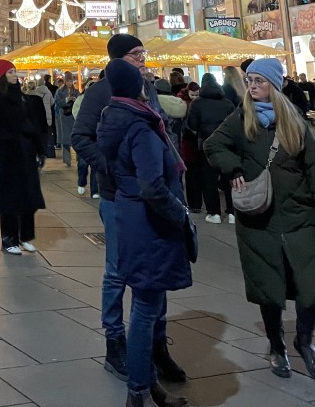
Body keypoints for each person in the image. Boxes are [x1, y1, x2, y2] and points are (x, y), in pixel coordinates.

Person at [205, 57, 315, 382]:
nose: (252, 87)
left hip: (300, 218)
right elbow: (213, 144)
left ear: (274, 86)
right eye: (249, 81)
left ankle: (304, 342)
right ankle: (277, 346)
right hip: (258, 221)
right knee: (270, 288)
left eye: (259, 81)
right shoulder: (241, 118)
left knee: (313, 287)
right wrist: (233, 167)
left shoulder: (294, 122)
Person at [72, 33, 186, 388]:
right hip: (117, 195)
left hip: (153, 193)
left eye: (143, 54)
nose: (143, 59)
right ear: (119, 59)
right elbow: (80, 137)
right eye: (137, 54)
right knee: (117, 270)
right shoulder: (99, 91)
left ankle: (155, 344)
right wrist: (109, 167)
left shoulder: (145, 87)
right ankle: (114, 341)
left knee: (156, 272)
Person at [97, 58, 192, 407]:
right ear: (135, 86)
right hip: (149, 223)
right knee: (145, 308)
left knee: (143, 303)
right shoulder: (140, 126)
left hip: (129, 216)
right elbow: (152, 186)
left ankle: (147, 384)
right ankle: (138, 390)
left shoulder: (113, 118)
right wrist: (179, 213)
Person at [0, 59, 46, 255]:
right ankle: (9, 238)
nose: (14, 75)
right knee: (9, 198)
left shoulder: (23, 97)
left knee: (28, 195)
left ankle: (26, 236)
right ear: (2, 75)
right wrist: (11, 134)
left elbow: (32, 123)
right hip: (6, 155)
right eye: (10, 72)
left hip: (25, 152)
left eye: (15, 71)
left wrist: (38, 149)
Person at [183, 73, 235, 224]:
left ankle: (214, 213)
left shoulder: (197, 103)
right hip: (227, 144)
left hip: (206, 144)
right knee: (228, 179)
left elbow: (191, 126)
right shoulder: (227, 103)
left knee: (209, 179)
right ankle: (232, 212)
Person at [54, 72, 78, 166]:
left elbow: (80, 100)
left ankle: (78, 159)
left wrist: (75, 100)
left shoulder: (75, 91)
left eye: (71, 81)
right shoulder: (60, 91)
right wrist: (66, 100)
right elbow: (57, 102)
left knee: (74, 138)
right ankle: (67, 160)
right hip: (64, 116)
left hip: (72, 115)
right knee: (65, 139)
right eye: (68, 81)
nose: (69, 83)